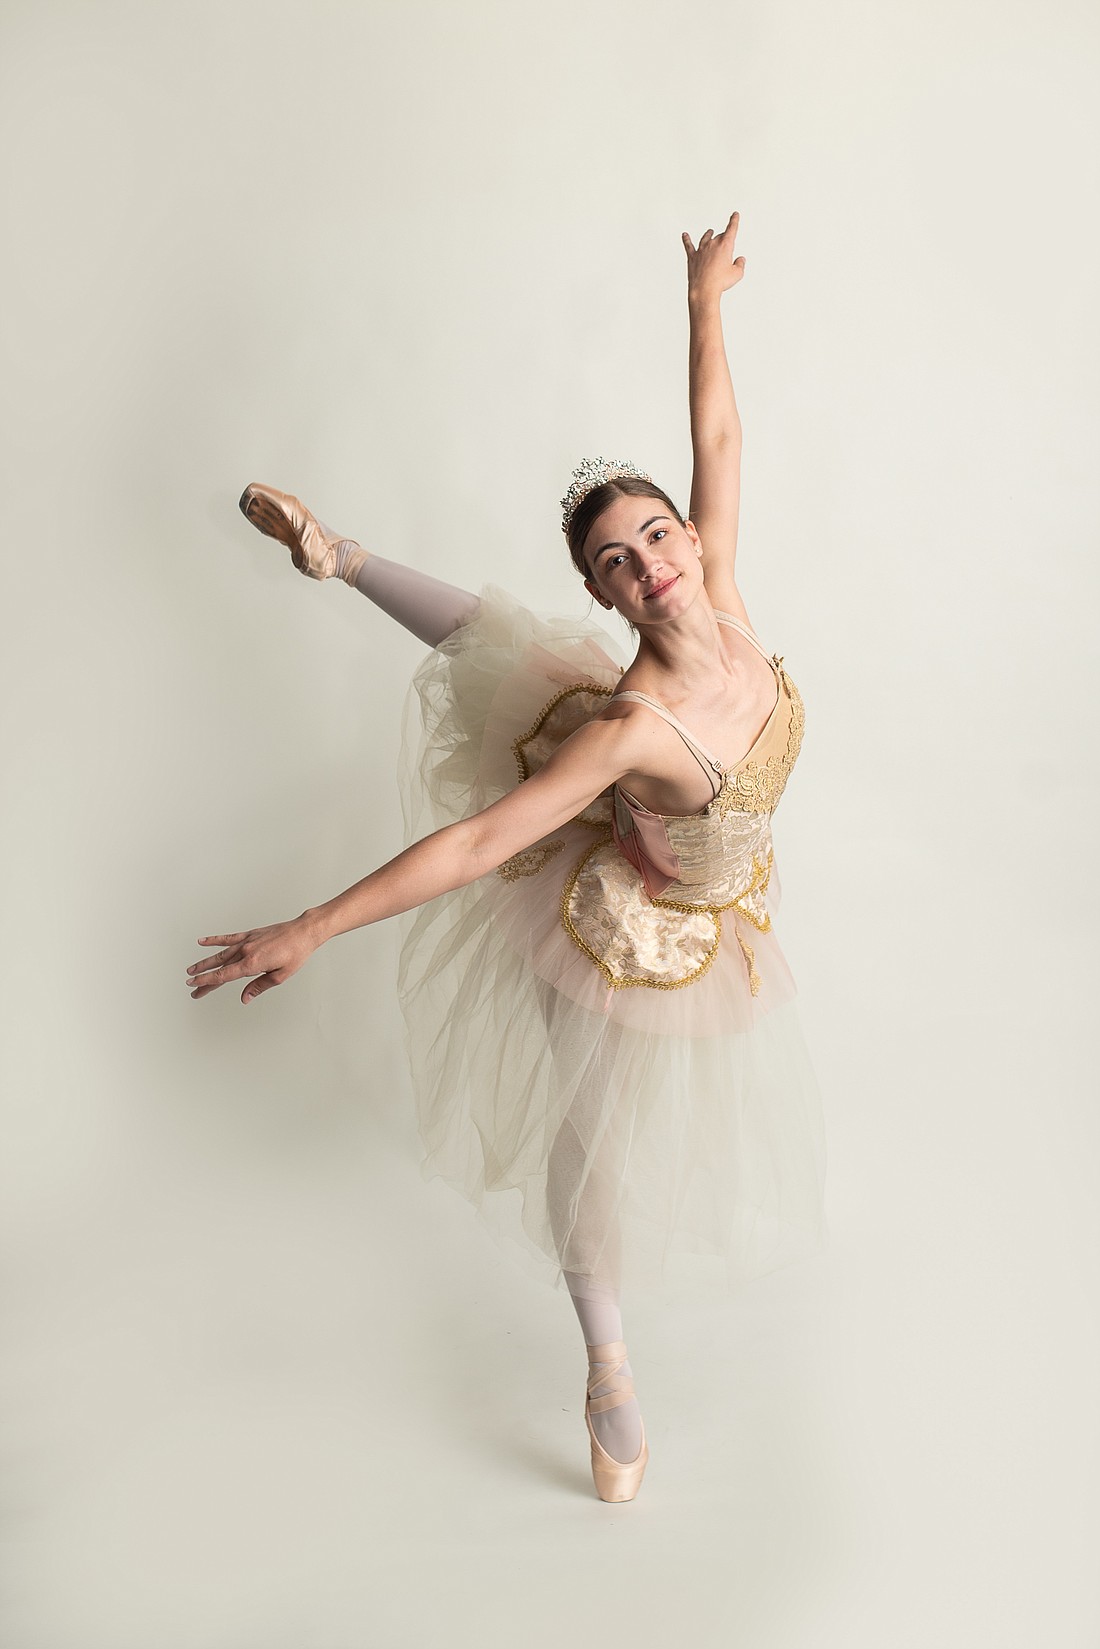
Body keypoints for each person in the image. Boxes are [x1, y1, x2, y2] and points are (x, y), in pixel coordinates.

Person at [184, 211, 828, 1503]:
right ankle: (606, 1361)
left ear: (691, 540)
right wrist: (313, 925)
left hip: (711, 876)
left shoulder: (728, 601)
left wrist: (702, 306)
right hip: (620, 912)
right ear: (606, 594)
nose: (649, 565)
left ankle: (337, 554)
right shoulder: (630, 727)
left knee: (507, 656)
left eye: (657, 536)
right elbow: (481, 839)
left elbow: (717, 440)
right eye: (615, 564)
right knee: (593, 1137)